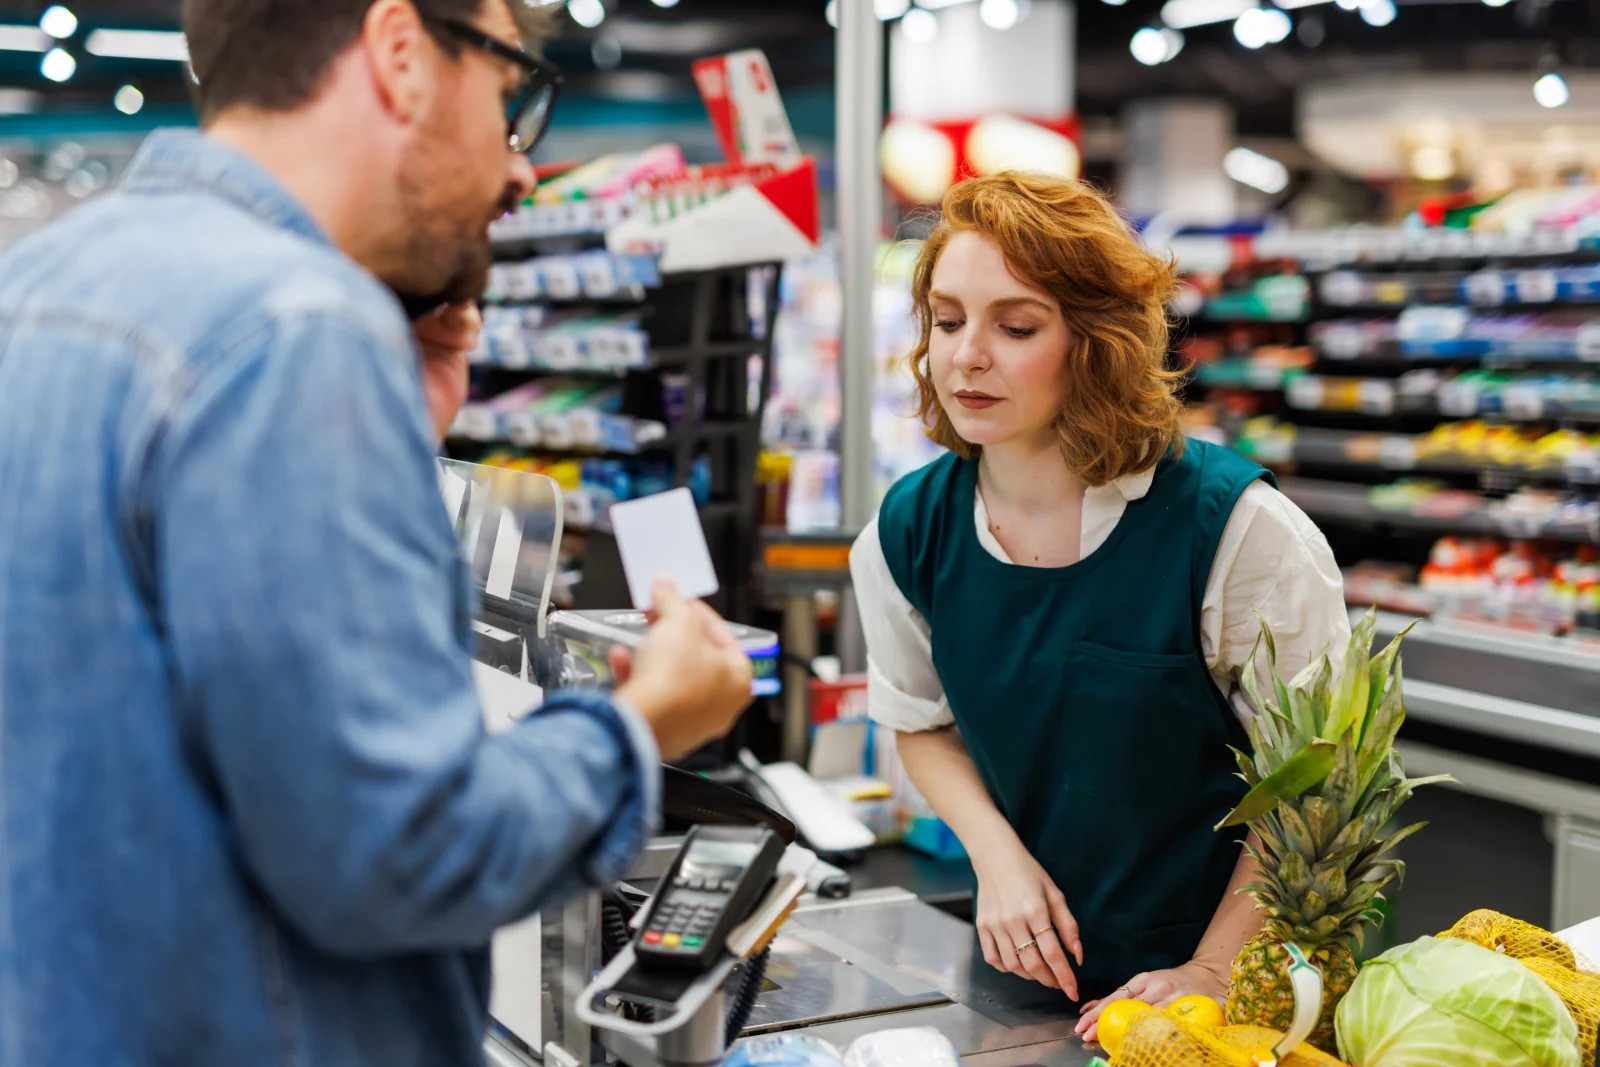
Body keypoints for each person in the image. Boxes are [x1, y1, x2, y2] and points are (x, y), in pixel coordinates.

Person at [0, 1, 754, 1065]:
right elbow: (401, 853)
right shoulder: (296, 329)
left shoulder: (38, 292)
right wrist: (638, 728)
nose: (520, 169)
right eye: (508, 94)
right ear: (403, 54)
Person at [848, 172, 1349, 1038]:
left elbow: (1317, 786)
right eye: (947, 318)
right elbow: (920, 724)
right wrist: (997, 857)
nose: (967, 355)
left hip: (1248, 985)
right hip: (1035, 979)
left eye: (1016, 326)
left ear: (1096, 342)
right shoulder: (906, 531)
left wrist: (1212, 969)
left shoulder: (1235, 531)